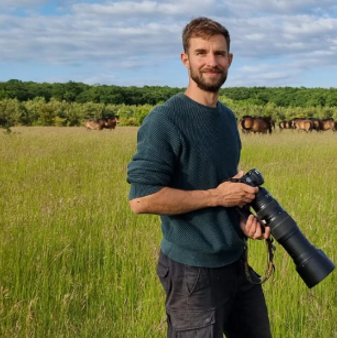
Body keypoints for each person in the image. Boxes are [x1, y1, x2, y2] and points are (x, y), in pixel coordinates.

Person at [126, 17, 272, 338]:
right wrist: (218, 197)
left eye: (219, 54)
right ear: (185, 59)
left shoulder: (228, 118)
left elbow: (223, 189)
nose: (211, 62)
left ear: (230, 60)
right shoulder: (165, 120)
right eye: (201, 53)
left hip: (237, 264)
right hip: (193, 272)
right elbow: (141, 199)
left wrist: (240, 221)